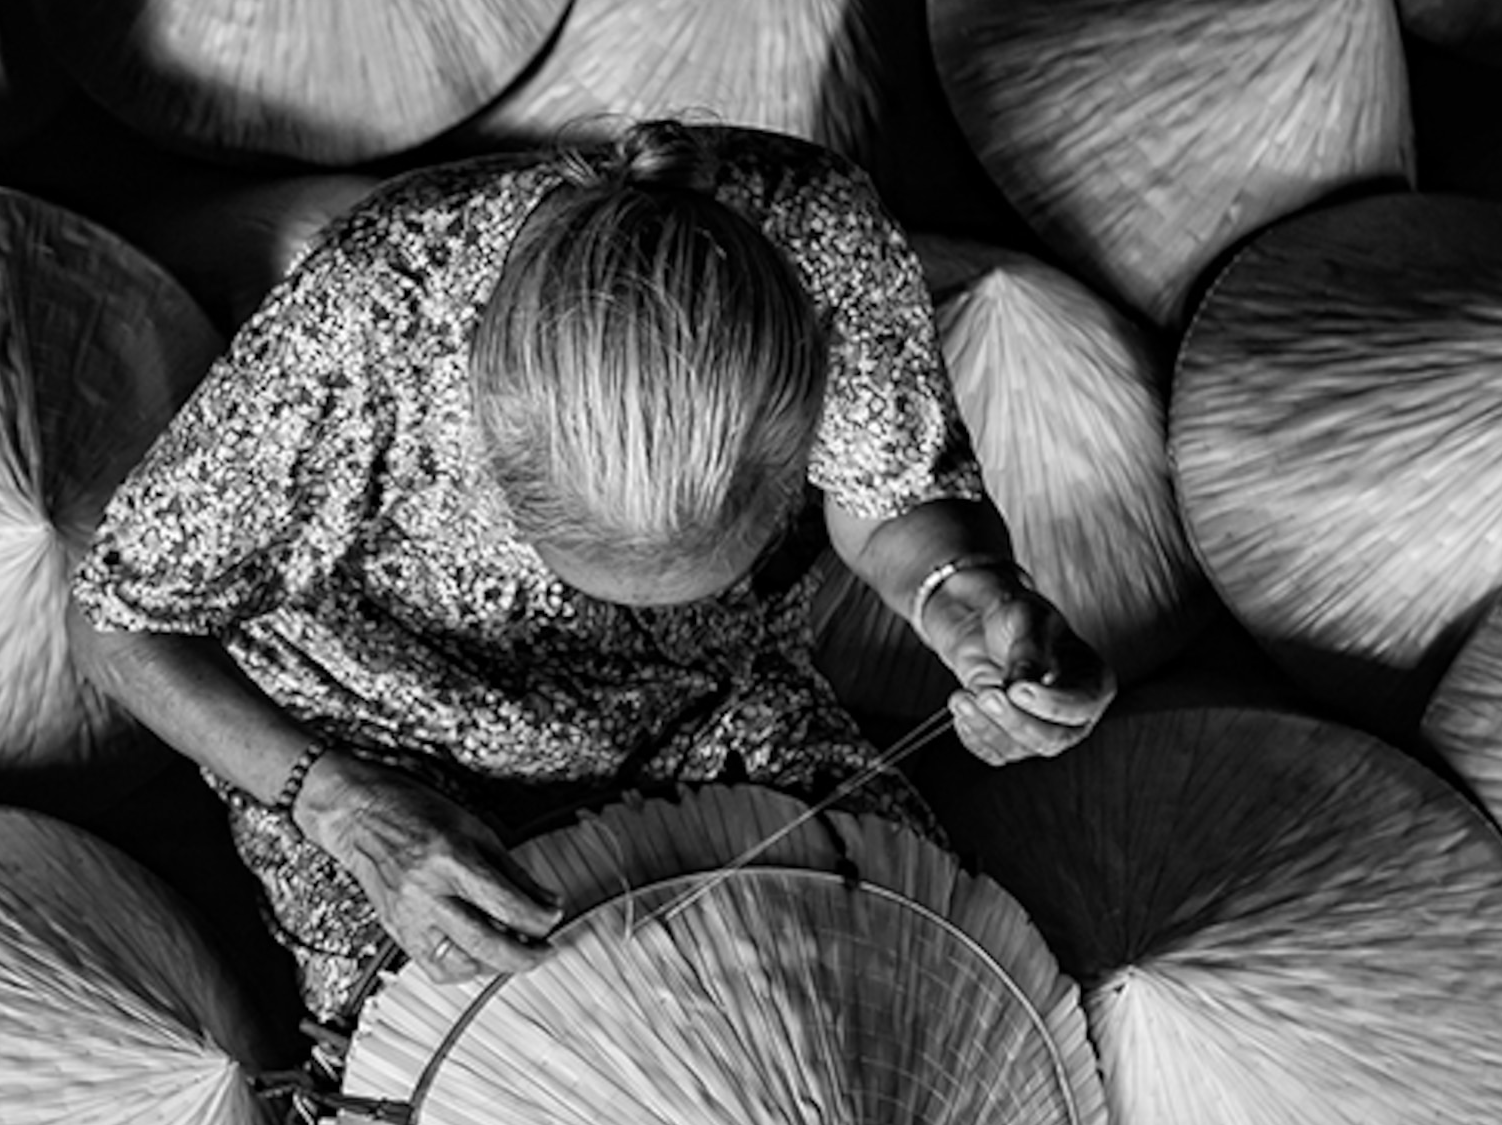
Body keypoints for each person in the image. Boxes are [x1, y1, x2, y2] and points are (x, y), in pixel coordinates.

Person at [68, 118, 1115, 1028]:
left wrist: (962, 591)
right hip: (374, 744)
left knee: (902, 980)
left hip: (716, 714)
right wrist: (342, 806)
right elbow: (116, 617)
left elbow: (893, 500)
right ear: (492, 449)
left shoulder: (818, 239)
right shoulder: (373, 321)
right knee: (476, 1099)